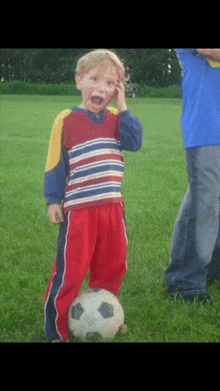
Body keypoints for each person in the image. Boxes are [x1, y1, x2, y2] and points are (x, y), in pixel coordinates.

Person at [44, 49, 143, 342]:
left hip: (112, 208)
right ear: (79, 81)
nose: (101, 88)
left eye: (111, 83)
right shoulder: (66, 119)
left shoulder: (117, 119)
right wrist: (53, 200)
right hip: (79, 212)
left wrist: (123, 106)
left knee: (112, 265)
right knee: (70, 272)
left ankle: (108, 315)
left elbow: (134, 142)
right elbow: (54, 163)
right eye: (94, 79)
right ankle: (57, 330)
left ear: (117, 90)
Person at [165, 49, 220, 304]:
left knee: (208, 200)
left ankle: (212, 268)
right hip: (206, 126)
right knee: (204, 204)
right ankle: (185, 282)